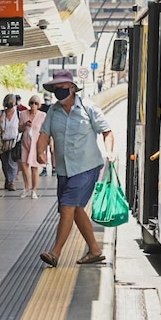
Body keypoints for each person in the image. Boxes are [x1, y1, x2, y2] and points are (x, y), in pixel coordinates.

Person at [36, 70, 114, 268]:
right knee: (76, 209)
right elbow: (44, 134)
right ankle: (95, 250)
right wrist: (40, 152)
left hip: (86, 167)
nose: (58, 93)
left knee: (66, 207)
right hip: (63, 169)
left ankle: (55, 253)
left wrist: (109, 151)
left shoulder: (88, 108)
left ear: (72, 88)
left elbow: (107, 131)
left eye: (62, 89)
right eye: (55, 90)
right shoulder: (53, 111)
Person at [17, 95, 46, 198]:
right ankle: (26, 187)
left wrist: (46, 145)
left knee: (34, 167)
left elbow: (45, 132)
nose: (33, 105)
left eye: (35, 103)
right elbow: (19, 129)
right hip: (25, 143)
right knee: (24, 166)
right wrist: (25, 125)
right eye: (31, 103)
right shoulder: (23, 114)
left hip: (36, 144)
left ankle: (34, 190)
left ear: (39, 105)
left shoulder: (42, 115)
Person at [0, 93, 23, 191]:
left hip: (14, 141)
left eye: (12, 101)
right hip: (2, 142)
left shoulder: (19, 114)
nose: (10, 103)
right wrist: (0, 121)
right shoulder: (1, 113)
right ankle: (8, 179)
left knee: (12, 162)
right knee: (4, 163)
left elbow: (21, 127)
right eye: (8, 101)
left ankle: (12, 182)